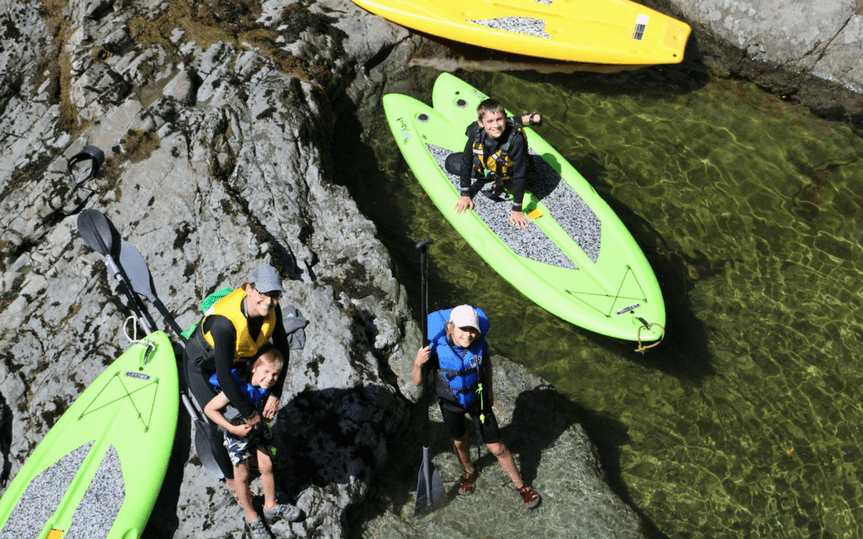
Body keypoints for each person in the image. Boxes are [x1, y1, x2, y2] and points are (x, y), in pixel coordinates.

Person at [412, 305, 540, 508]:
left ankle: (520, 485)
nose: (469, 335)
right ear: (450, 327)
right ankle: (469, 471)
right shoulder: (435, 349)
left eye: (472, 329)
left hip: (477, 400)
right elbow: (417, 381)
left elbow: (486, 364)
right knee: (460, 442)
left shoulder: (480, 344)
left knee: (497, 447)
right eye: (463, 329)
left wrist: (489, 391)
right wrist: (419, 362)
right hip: (451, 404)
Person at [184, 265, 295, 487]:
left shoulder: (273, 308)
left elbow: (282, 347)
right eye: (264, 293)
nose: (269, 300)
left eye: (275, 295)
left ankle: (253, 452)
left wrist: (275, 393)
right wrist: (247, 412)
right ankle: (231, 479)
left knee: (254, 401)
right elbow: (223, 375)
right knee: (220, 425)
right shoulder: (224, 324)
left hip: (236, 361)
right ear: (249, 289)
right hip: (202, 367)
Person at [204, 347, 301, 538]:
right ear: (254, 368)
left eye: (275, 374)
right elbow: (209, 409)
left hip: (257, 430)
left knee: (267, 465)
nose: (271, 378)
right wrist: (231, 429)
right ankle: (252, 517)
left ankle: (271, 506)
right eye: (266, 372)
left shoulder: (266, 388)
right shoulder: (236, 388)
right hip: (237, 434)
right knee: (242, 475)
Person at [449, 101, 542, 229]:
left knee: (531, 179)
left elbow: (520, 176)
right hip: (488, 164)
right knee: (450, 162)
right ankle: (525, 118)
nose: (496, 125)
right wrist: (465, 194)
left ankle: (527, 119)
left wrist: (517, 209)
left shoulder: (516, 140)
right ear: (481, 123)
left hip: (507, 171)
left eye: (499, 119)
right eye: (490, 121)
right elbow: (466, 161)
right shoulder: (476, 130)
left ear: (504, 117)